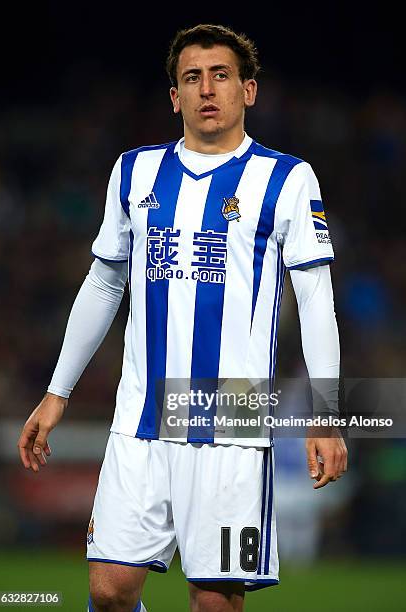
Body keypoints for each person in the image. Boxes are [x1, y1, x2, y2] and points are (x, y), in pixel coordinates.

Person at [17, 24, 348, 612]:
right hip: (141, 412)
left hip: (232, 416)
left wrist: (325, 416)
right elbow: (104, 281)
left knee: (214, 602)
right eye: (191, 78)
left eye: (220, 75)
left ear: (249, 90)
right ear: (175, 97)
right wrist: (55, 392)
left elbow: (317, 299)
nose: (206, 88)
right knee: (109, 591)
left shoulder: (287, 179)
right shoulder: (135, 172)